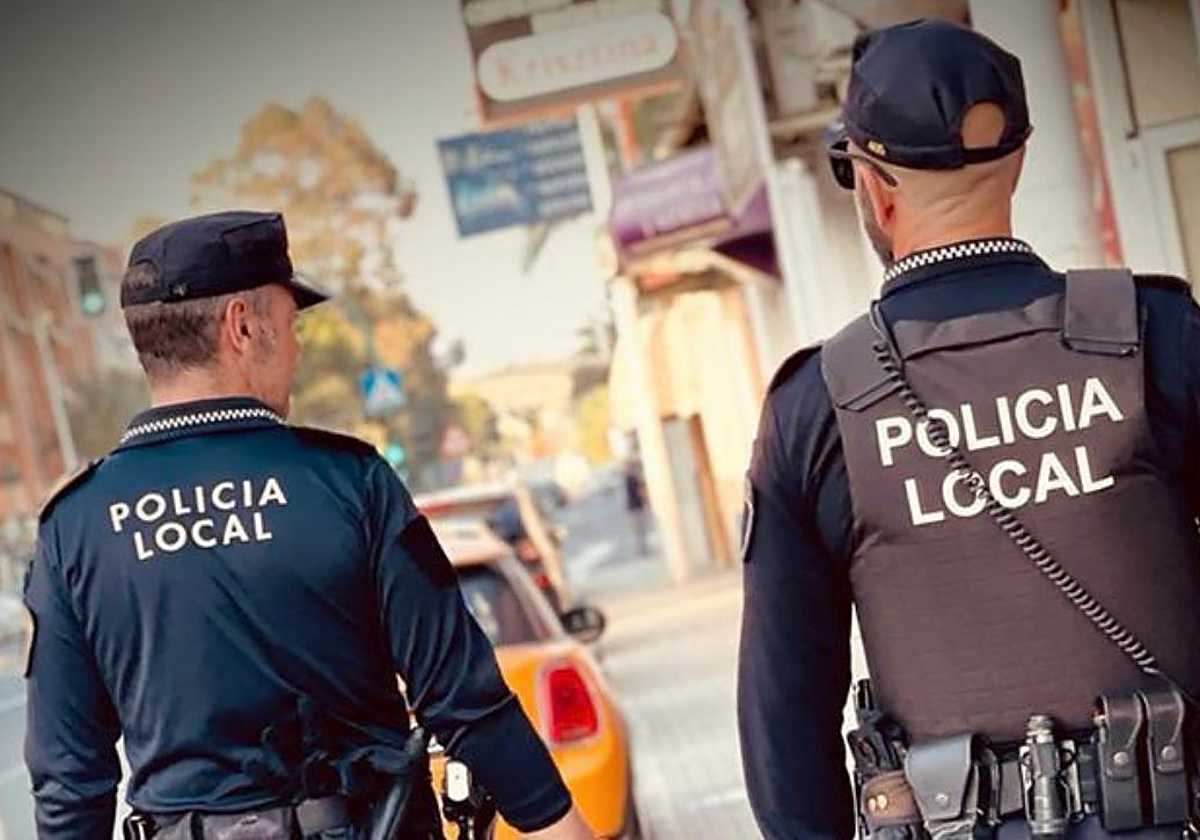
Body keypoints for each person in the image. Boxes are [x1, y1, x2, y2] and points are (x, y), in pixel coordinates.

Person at [737, 19, 1200, 840]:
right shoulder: (1160, 335)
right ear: (1016, 161)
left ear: (873, 187)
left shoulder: (819, 407)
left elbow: (786, 723)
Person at [24, 211, 596, 840]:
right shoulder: (349, 483)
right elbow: (463, 699)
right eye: (290, 323)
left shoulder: (73, 527)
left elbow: (69, 781)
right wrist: (558, 825)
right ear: (242, 326)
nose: (296, 348)